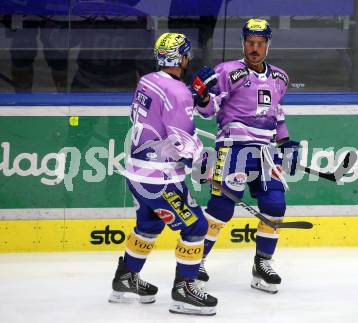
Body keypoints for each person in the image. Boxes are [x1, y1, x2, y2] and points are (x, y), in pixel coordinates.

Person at [108, 32, 218, 316]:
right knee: (196, 227)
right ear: (183, 57)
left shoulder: (147, 80)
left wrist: (192, 97)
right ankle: (184, 291)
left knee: (148, 225)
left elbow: (159, 114)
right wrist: (200, 160)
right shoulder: (178, 91)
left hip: (137, 173)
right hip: (161, 178)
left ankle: (124, 279)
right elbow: (181, 138)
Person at [194, 18, 300, 294]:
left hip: (265, 153)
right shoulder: (227, 72)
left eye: (260, 44)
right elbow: (207, 111)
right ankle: (195, 262)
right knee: (221, 208)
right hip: (232, 149)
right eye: (250, 43)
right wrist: (203, 97)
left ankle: (262, 264)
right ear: (243, 43)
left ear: (267, 45)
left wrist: (286, 142)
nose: (254, 49)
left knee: (275, 205)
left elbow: (277, 115)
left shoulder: (280, 78)